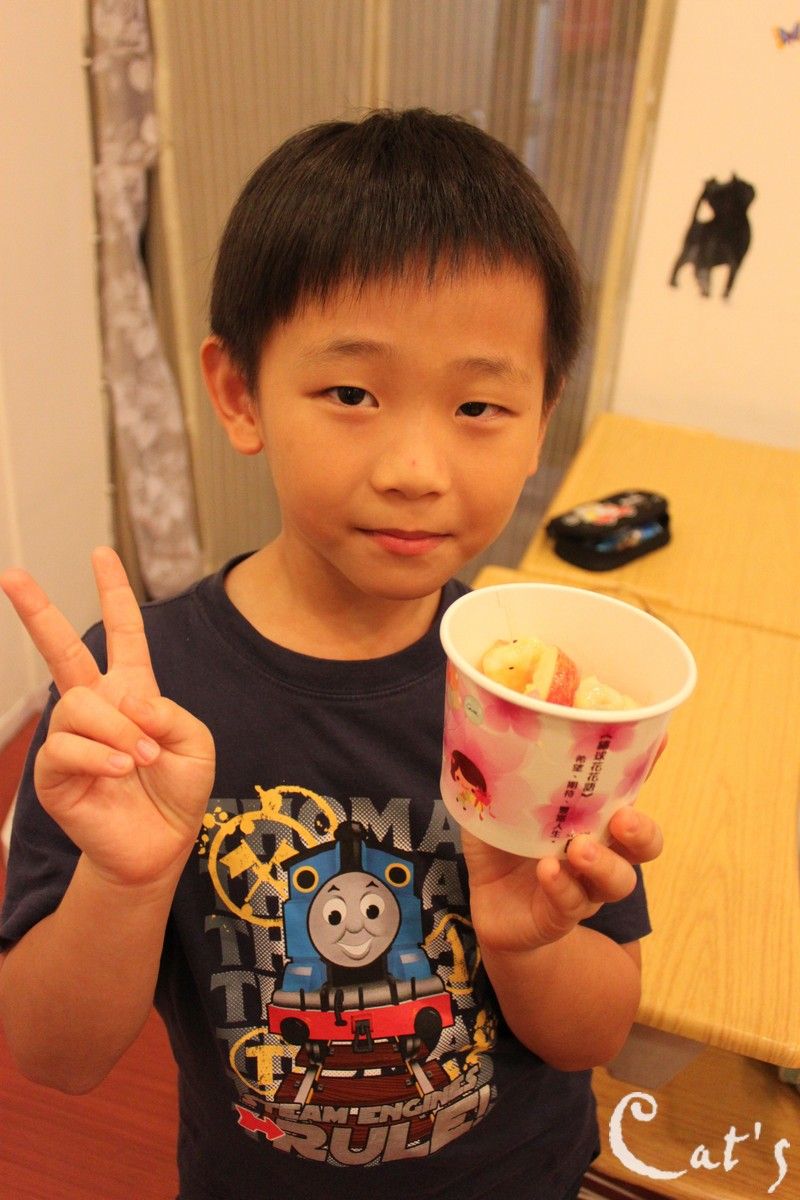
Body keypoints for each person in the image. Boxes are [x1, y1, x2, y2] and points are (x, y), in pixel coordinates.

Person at [0, 108, 662, 1200]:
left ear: (541, 421)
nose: (414, 467)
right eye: (351, 394)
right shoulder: (137, 702)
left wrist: (528, 942)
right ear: (239, 393)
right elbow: (53, 1055)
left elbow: (595, 1035)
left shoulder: (540, 698)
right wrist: (125, 881)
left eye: (479, 404)